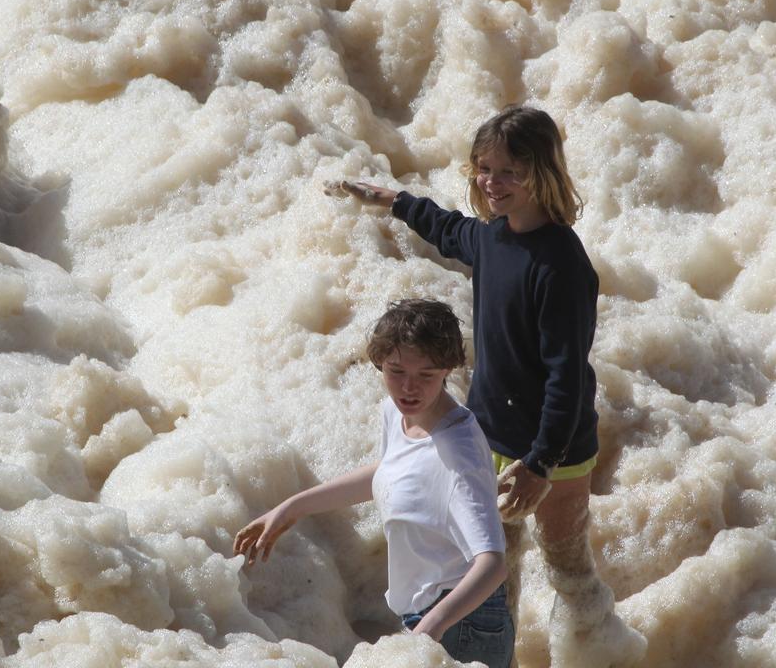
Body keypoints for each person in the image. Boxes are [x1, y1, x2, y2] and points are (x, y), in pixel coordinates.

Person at [335, 105, 646, 667]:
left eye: (509, 171)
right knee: (497, 565)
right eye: (484, 169)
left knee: (567, 563)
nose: (492, 183)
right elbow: (450, 230)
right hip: (490, 437)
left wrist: (541, 463)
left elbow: (566, 374)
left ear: (542, 171)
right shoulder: (492, 238)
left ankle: (596, 657)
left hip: (556, 450)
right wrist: (396, 201)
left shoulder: (562, 264)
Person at [235, 299, 514, 668]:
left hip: (462, 623)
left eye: (426, 375)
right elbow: (392, 473)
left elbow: (492, 563)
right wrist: (293, 507)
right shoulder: (398, 413)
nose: (409, 388)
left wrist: (433, 626)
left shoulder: (456, 452)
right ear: (379, 362)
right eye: (396, 371)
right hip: (431, 615)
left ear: (448, 368)